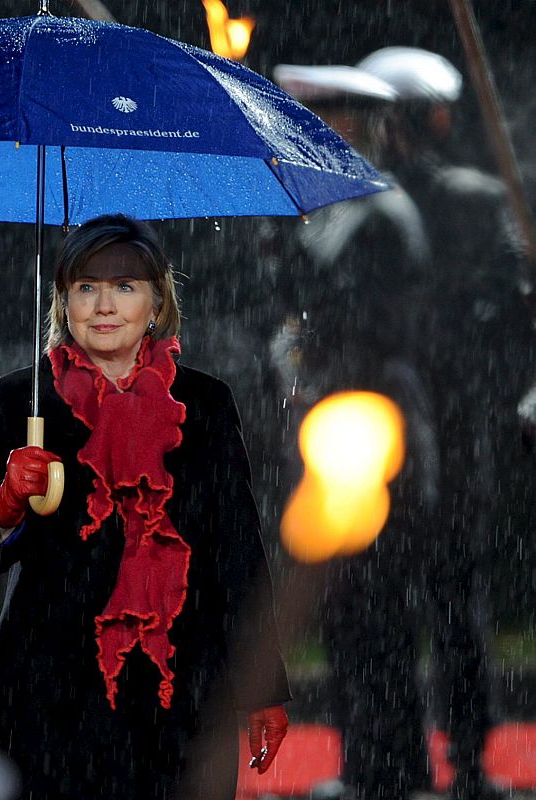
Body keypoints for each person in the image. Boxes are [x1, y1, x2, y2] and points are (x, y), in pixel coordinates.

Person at [0, 214, 292, 800]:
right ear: (63, 301)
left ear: (157, 301)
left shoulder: (204, 405)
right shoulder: (19, 402)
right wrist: (4, 503)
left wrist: (262, 685)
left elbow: (236, 550)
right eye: (85, 286)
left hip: (180, 692)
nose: (104, 305)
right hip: (47, 693)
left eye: (125, 286)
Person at [356, 46, 532, 800]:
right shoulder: (468, 198)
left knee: (391, 601)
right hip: (441, 417)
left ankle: (393, 760)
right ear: (435, 115)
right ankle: (455, 762)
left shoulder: (366, 200)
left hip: (394, 419)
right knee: (448, 600)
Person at [269, 65, 442, 800]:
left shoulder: (372, 212)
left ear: (349, 124)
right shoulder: (326, 210)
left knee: (374, 612)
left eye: (324, 118)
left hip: (368, 428)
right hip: (338, 427)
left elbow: (364, 333)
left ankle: (386, 765)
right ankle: (372, 760)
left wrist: (306, 353)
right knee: (351, 613)